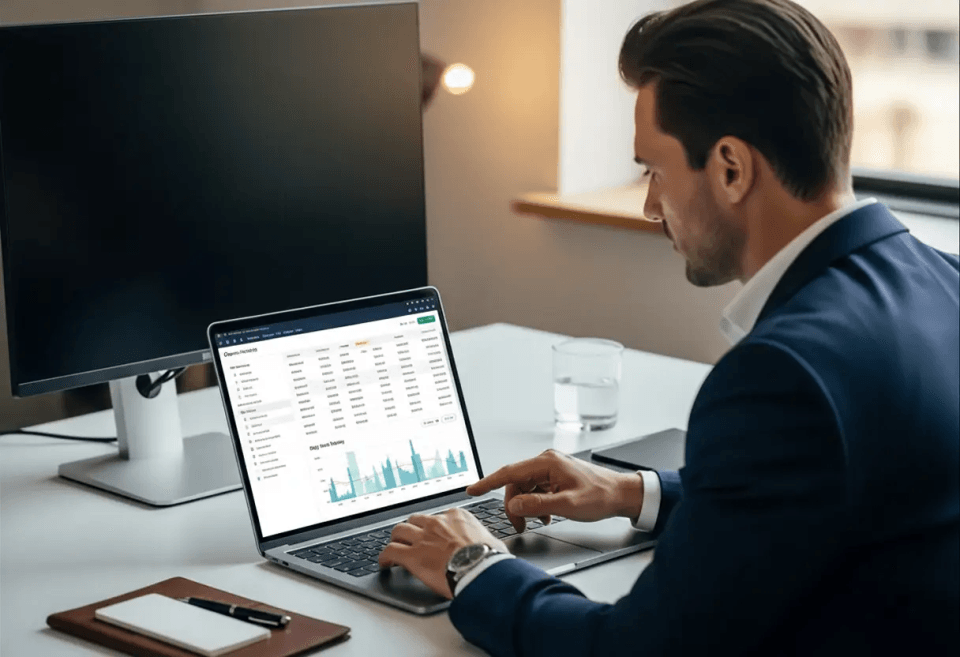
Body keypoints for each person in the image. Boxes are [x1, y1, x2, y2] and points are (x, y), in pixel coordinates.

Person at [377, 0, 960, 654]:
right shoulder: (943, 281)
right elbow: (821, 491)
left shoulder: (783, 375)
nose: (651, 206)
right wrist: (633, 491)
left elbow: (634, 648)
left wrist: (473, 564)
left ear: (732, 168)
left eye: (653, 169)